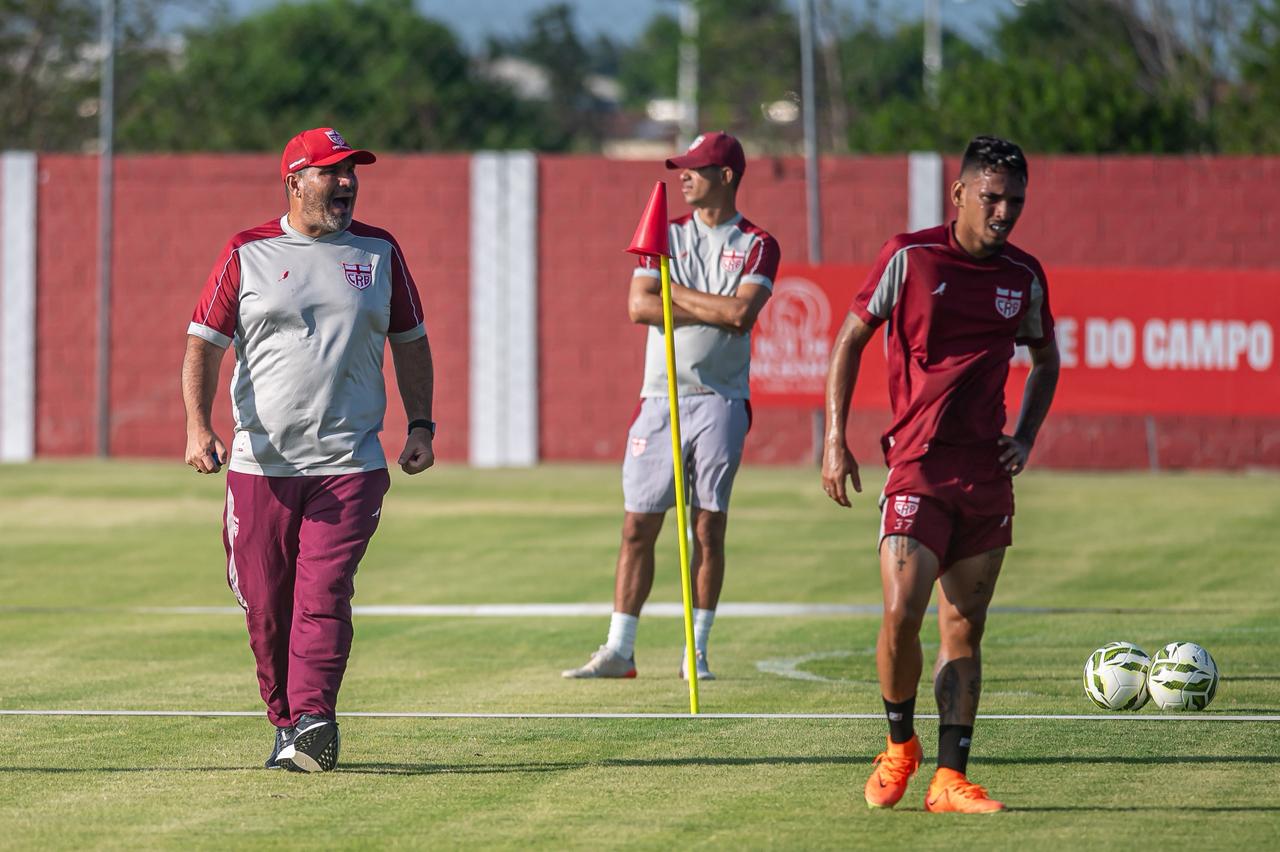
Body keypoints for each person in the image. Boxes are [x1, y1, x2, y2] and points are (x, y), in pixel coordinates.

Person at [181, 127, 436, 773]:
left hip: (350, 463)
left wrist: (422, 425)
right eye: (331, 172)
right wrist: (197, 425)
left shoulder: (379, 252)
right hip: (260, 465)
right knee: (266, 605)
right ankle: (286, 722)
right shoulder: (248, 251)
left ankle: (316, 721)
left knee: (324, 595)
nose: (346, 182)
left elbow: (411, 340)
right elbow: (203, 344)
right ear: (295, 181)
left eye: (351, 172)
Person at [821, 136, 1060, 813]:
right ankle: (900, 745)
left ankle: (950, 779)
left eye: (1015, 200)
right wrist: (834, 441)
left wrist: (1026, 436)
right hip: (917, 467)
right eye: (992, 198)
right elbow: (848, 341)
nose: (1005, 211)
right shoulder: (911, 257)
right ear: (958, 195)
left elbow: (1046, 360)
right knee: (901, 612)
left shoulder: (1024, 275)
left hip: (985, 476)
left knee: (964, 629)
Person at [563, 132, 780, 681]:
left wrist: (674, 295)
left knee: (707, 528)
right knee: (638, 524)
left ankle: (697, 651)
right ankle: (620, 650)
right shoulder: (667, 235)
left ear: (726, 175)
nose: (683, 176)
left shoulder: (757, 242)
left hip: (721, 399)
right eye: (681, 168)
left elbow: (741, 316)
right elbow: (639, 305)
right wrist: (698, 301)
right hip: (659, 397)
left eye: (695, 168)